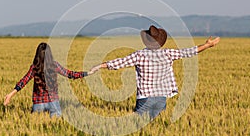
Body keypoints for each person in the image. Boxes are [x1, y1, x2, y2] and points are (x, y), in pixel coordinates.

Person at [89, 25, 220, 119]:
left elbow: (118, 63)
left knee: (138, 126)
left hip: (145, 98)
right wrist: (208, 45)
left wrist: (99, 66)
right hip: (161, 98)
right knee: (158, 124)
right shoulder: (168, 53)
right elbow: (188, 52)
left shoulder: (139, 55)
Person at [4, 42, 88, 117]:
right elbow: (70, 74)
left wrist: (10, 95)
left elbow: (23, 81)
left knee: (37, 130)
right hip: (53, 103)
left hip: (38, 104)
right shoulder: (54, 65)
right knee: (55, 128)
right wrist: (88, 72)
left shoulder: (34, 67)